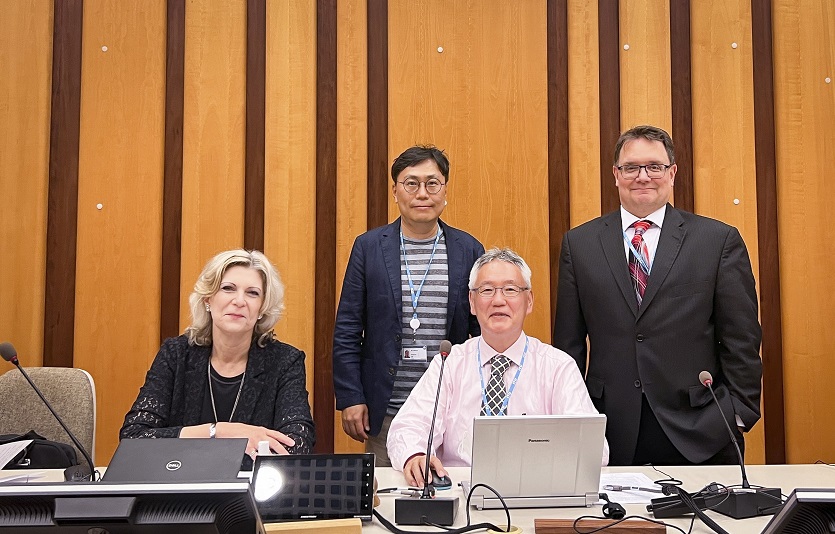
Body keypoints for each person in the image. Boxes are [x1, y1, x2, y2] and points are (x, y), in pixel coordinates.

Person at [553, 125, 762, 466]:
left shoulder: (717, 241)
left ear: (672, 173)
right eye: (631, 167)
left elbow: (742, 337)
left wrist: (737, 412)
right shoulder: (580, 245)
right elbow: (568, 344)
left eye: (654, 166)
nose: (643, 176)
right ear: (616, 175)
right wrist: (571, 419)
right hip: (609, 430)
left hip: (701, 429)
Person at [388, 248, 607, 486]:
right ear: (472, 302)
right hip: (460, 488)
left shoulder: (557, 367)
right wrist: (415, 455)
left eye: (510, 289)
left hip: (535, 488)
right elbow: (408, 427)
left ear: (529, 301)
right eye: (487, 290)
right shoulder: (450, 363)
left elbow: (594, 448)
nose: (498, 300)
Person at [333, 145, 484, 466]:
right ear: (395, 191)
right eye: (411, 183)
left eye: (433, 183)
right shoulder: (369, 248)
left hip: (449, 412)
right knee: (388, 491)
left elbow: (481, 332)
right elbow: (347, 328)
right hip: (386, 411)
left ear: (445, 191)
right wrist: (351, 396)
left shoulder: (469, 249)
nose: (422, 193)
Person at [120, 249, 315, 460]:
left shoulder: (285, 361)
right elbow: (134, 437)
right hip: (182, 478)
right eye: (228, 288)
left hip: (249, 480)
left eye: (252, 293)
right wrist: (219, 431)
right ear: (208, 299)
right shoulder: (176, 355)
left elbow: (298, 444)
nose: (239, 301)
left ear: (262, 309)